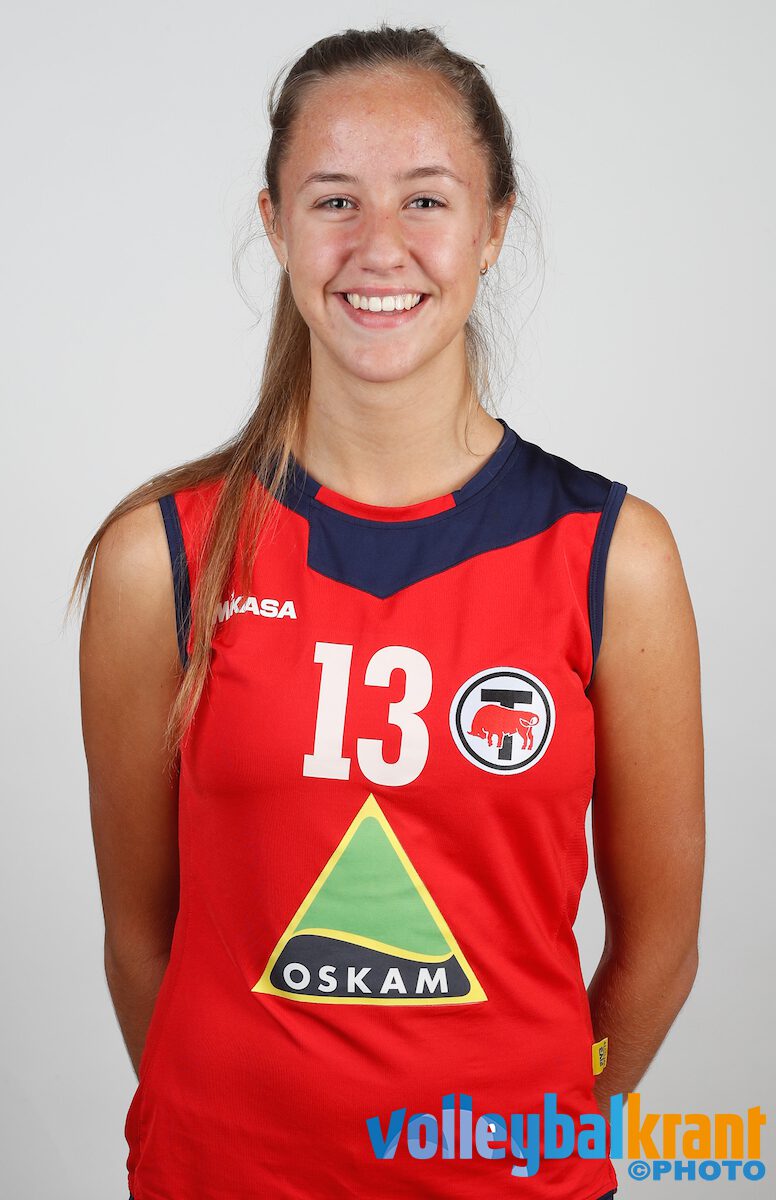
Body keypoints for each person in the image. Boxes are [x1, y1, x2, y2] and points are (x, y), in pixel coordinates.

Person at [71, 23, 705, 1200]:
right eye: (332, 201)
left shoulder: (613, 559)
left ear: (492, 227)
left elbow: (657, 953)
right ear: (273, 223)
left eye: (424, 200)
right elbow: (139, 938)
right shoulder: (159, 561)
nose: (377, 247)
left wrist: (550, 1123)